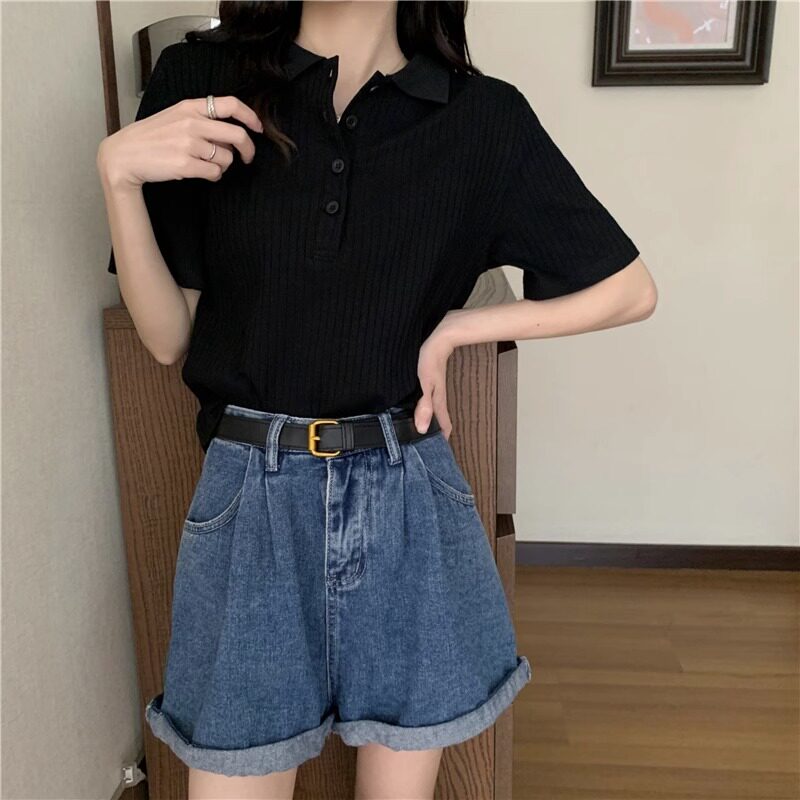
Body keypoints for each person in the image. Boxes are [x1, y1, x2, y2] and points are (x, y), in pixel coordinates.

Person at [97, 1, 657, 798]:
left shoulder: (480, 117)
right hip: (250, 501)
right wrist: (117, 177)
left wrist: (462, 326)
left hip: (406, 497)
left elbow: (628, 289)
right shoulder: (203, 82)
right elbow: (166, 337)